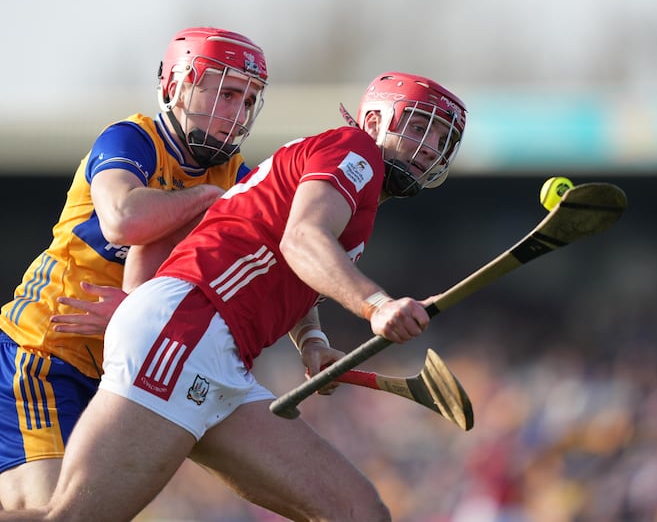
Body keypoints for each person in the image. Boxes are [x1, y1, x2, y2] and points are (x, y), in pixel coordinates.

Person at [0, 71, 468, 521]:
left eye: (441, 140)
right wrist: (376, 304)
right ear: (372, 122)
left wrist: (312, 345)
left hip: (217, 354)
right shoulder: (355, 150)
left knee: (358, 512)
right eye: (419, 126)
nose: (429, 148)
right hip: (188, 332)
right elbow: (302, 242)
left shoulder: (343, 190)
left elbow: (297, 269)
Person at [0, 26, 268, 509]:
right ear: (175, 87)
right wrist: (206, 197)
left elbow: (278, 254)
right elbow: (124, 220)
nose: (237, 114)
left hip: (117, 376)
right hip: (44, 352)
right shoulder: (133, 139)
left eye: (248, 101)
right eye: (226, 94)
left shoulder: (238, 174)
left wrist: (311, 340)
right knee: (49, 511)